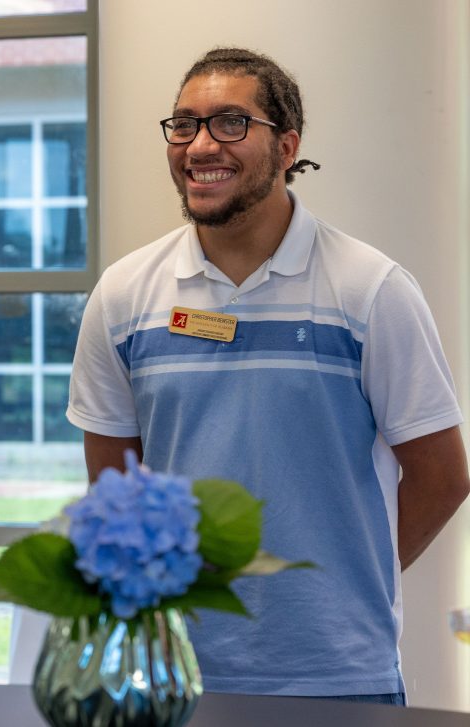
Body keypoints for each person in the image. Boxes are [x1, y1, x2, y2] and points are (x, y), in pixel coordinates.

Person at [66, 47, 469, 703]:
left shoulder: (371, 289)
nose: (199, 145)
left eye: (230, 123)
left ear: (287, 146)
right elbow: (116, 488)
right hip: (173, 674)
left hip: (341, 678)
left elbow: (443, 475)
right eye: (184, 124)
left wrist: (344, 575)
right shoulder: (124, 295)